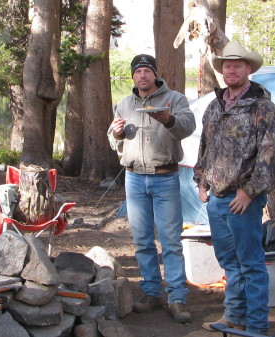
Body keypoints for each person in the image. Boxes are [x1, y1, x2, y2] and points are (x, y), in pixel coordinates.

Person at [193, 42, 275, 335]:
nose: (231, 70)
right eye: (227, 66)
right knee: (229, 262)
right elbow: (205, 147)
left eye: (237, 65)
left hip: (242, 200)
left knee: (251, 264)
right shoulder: (214, 105)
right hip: (216, 199)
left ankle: (257, 325)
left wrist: (250, 191)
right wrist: (201, 181)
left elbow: (272, 153)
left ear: (248, 69)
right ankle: (234, 317)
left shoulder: (262, 106)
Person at [107, 54, 196, 323]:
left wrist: (169, 119)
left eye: (147, 71)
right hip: (134, 179)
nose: (142, 76)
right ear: (133, 76)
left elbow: (188, 127)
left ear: (155, 75)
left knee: (171, 241)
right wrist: (117, 133)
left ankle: (177, 298)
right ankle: (151, 292)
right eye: (138, 72)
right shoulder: (124, 103)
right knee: (142, 240)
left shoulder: (175, 99)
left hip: (165, 177)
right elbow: (114, 141)